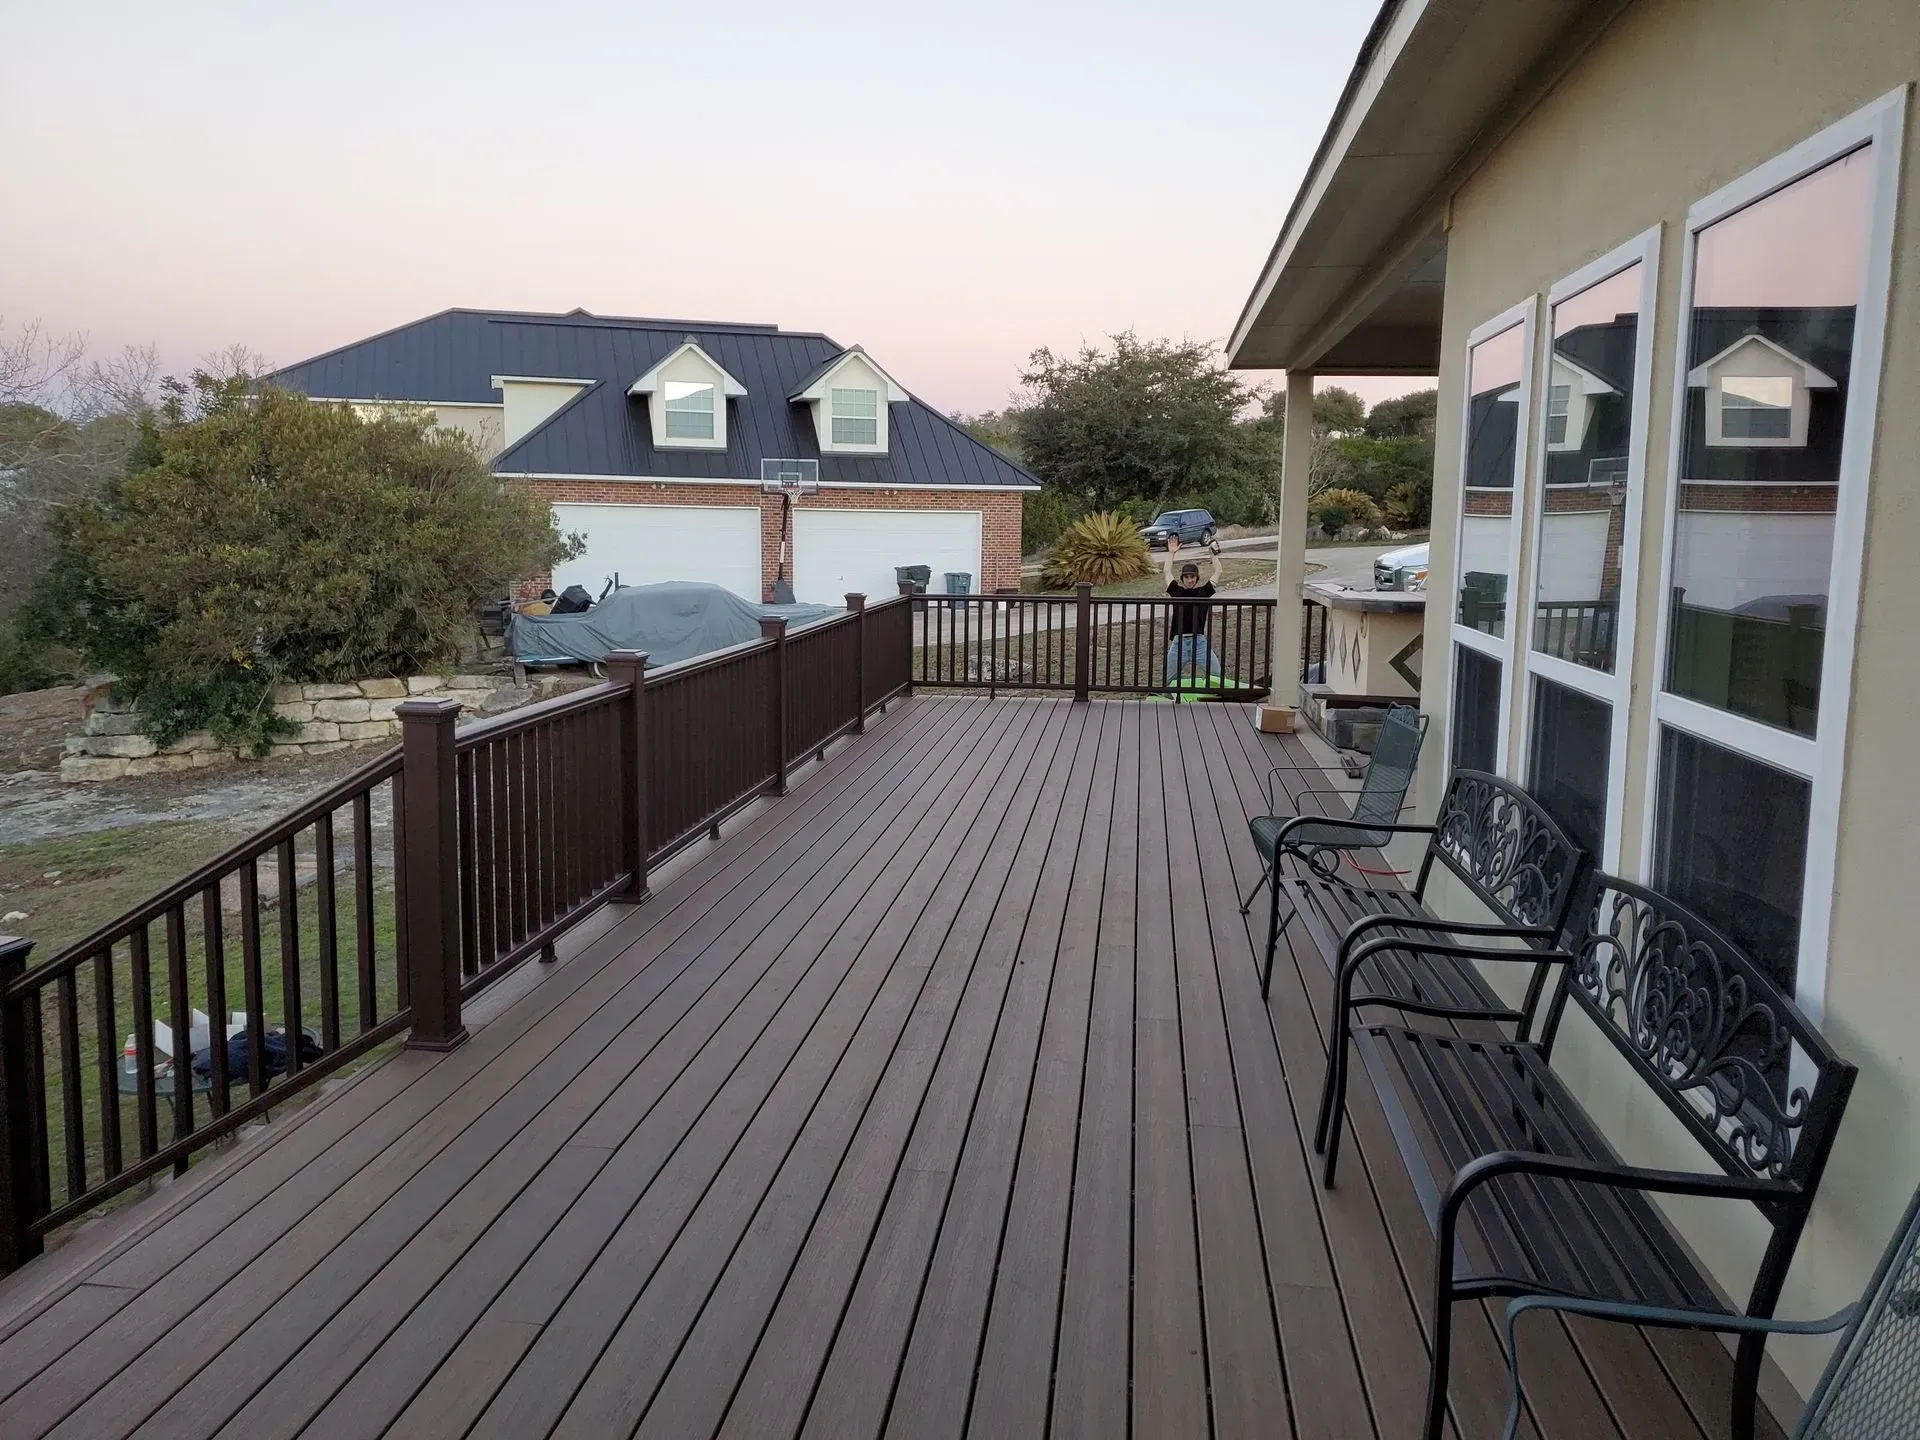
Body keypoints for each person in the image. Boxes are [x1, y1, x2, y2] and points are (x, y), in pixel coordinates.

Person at [1163, 536, 1224, 685]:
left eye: (1192, 577)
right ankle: (1172, 700)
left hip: (1199, 642)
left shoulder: (1204, 592)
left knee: (1217, 674)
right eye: (1186, 577)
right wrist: (1171, 553)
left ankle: (1212, 694)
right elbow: (1166, 571)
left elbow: (1218, 571)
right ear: (1182, 578)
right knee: (1168, 679)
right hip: (1179, 643)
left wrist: (1212, 554)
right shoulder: (1176, 591)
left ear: (1197, 578)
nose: (1190, 580)